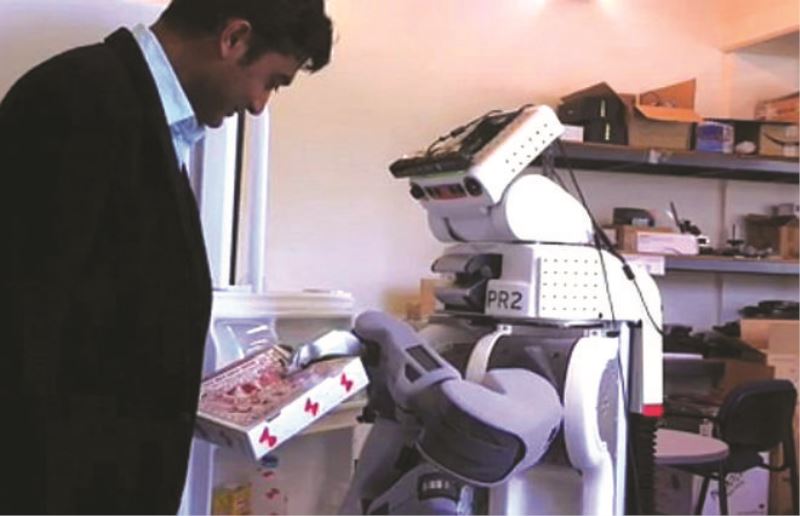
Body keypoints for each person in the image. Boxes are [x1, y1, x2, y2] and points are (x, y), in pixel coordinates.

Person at [0, 0, 332, 513]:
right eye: (272, 81)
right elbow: (21, 330)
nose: (259, 105)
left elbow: (107, 316)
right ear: (234, 39)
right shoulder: (76, 101)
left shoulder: (148, 121)